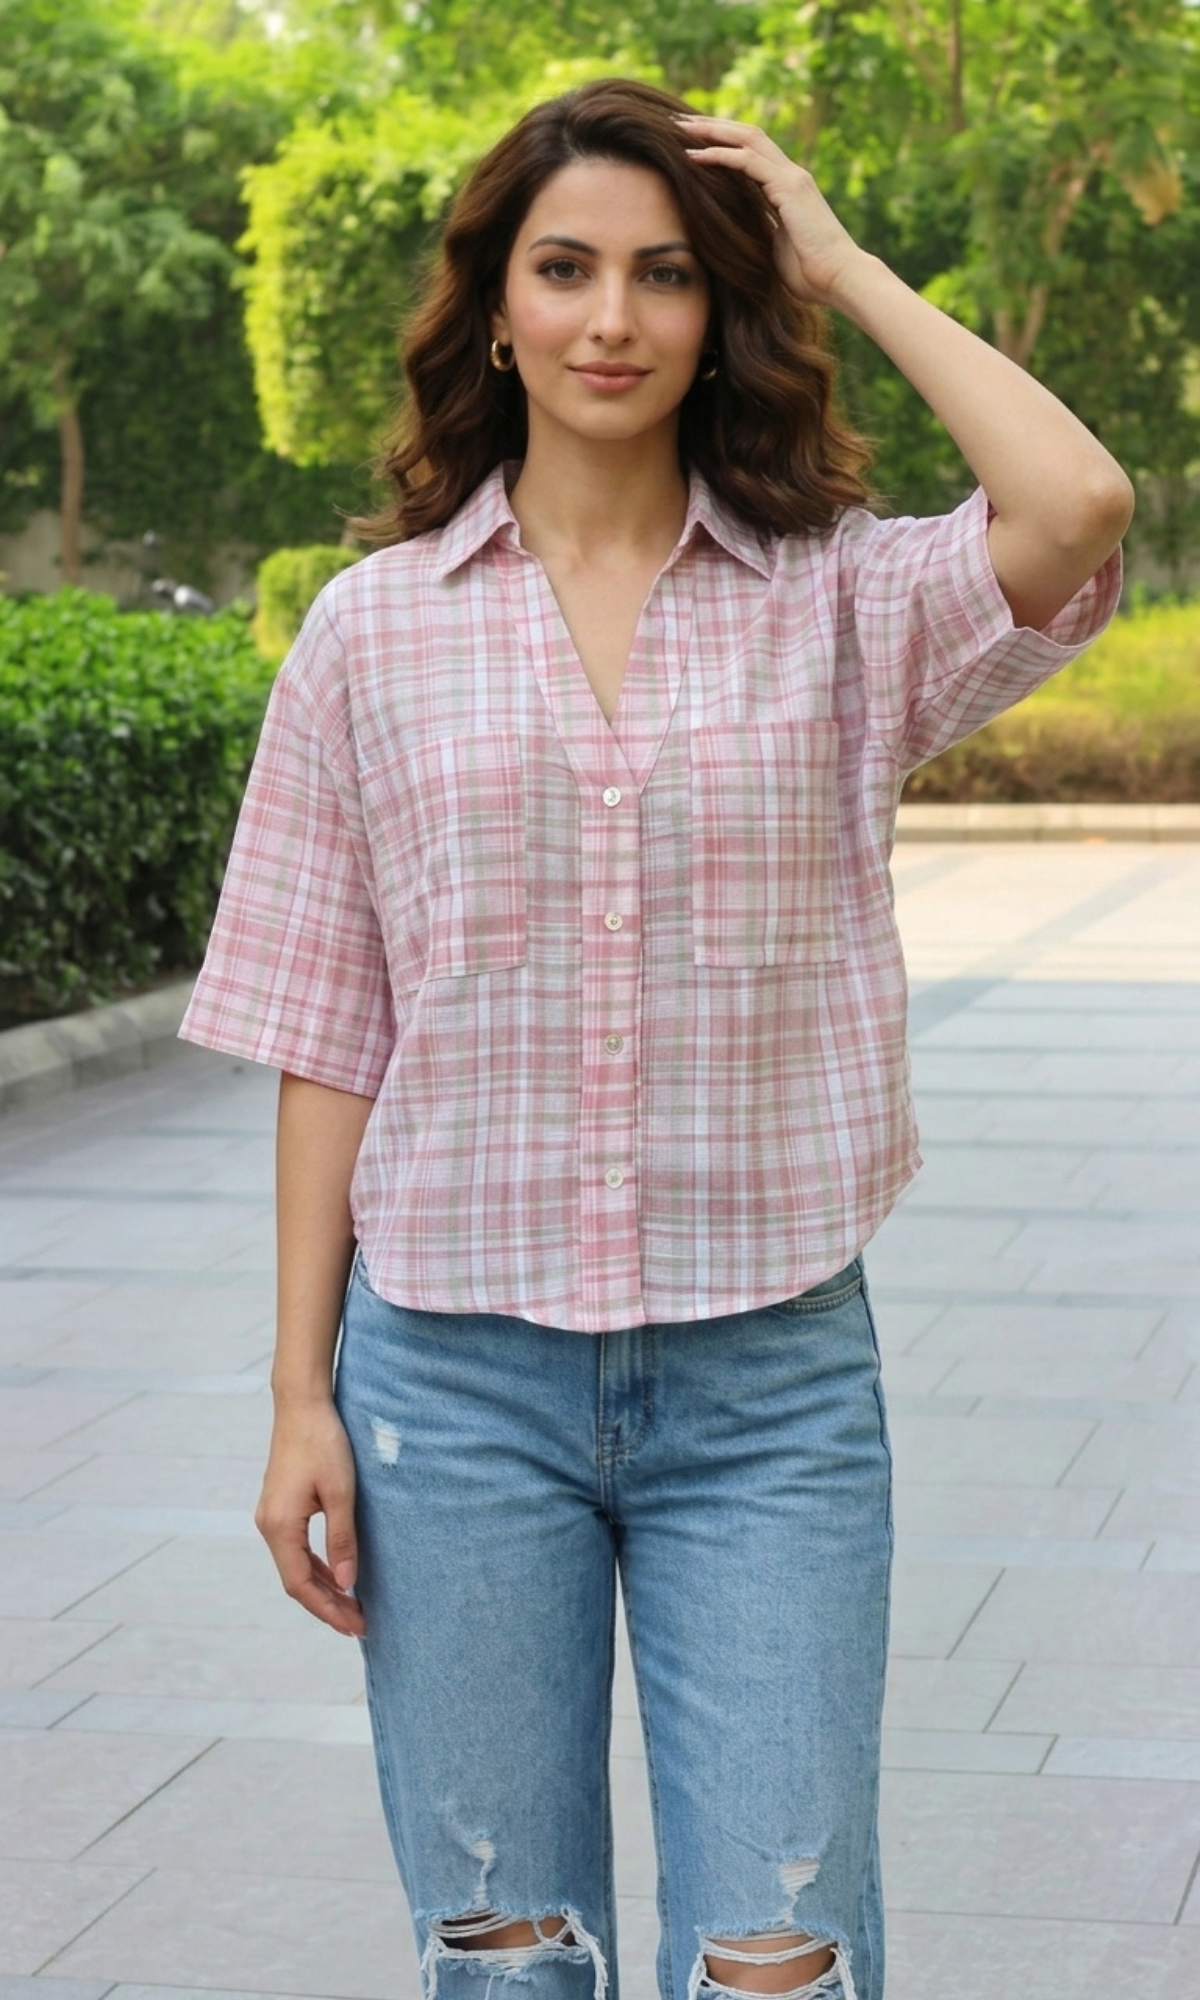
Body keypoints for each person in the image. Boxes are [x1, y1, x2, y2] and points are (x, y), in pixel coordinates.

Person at [180, 77, 1130, 2000]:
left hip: (765, 1386)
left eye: (666, 274)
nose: (612, 317)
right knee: (504, 1951)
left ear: (722, 311)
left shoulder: (843, 606)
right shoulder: (369, 636)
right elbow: (326, 1029)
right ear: (498, 306)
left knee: (781, 1954)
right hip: (447, 1387)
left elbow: (1076, 507)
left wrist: (841, 254)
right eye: (566, 269)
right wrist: (301, 1396)